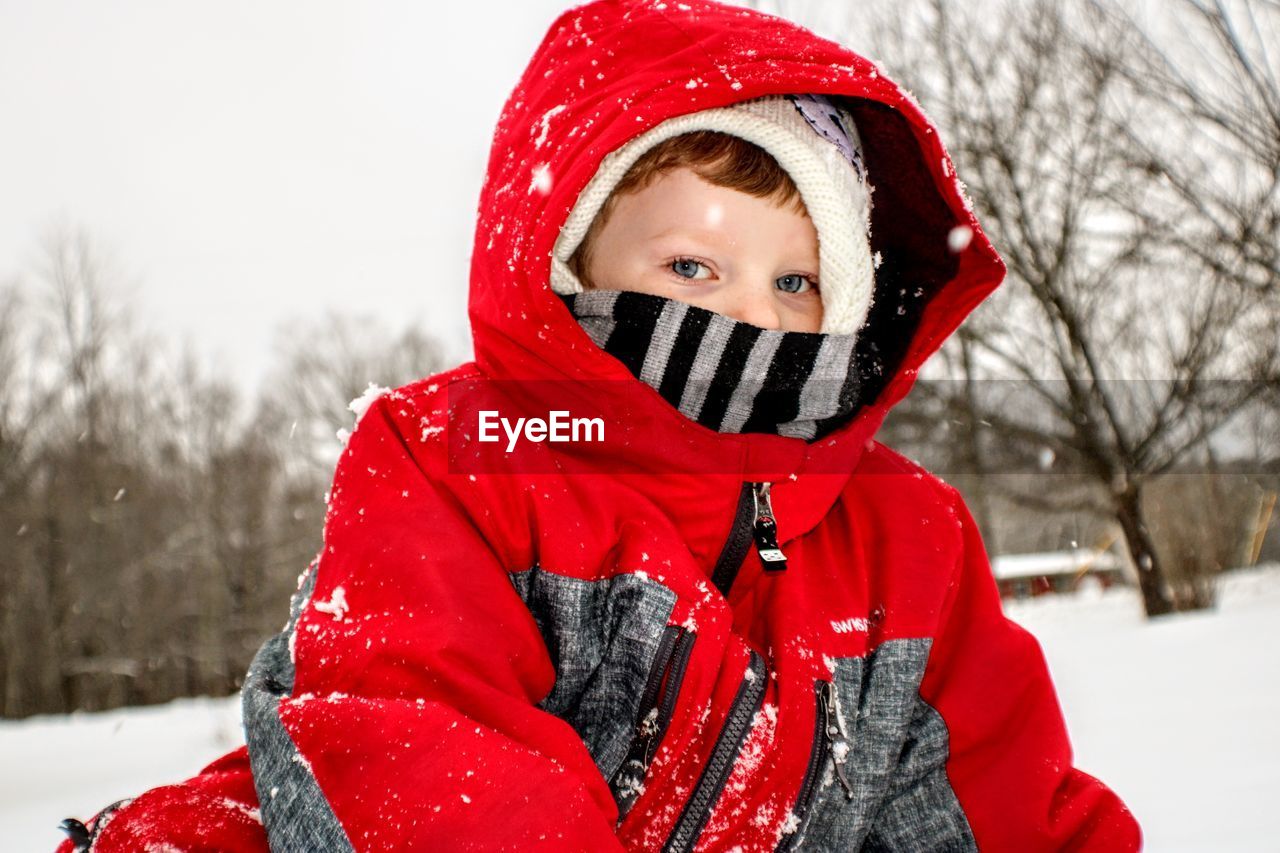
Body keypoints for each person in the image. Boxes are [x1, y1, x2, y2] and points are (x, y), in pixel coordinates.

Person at [55, 0, 1143, 850]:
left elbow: (985, 806)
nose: (750, 315)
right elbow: (428, 754)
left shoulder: (906, 542)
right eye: (689, 267)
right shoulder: (461, 460)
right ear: (572, 264)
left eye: (798, 280)